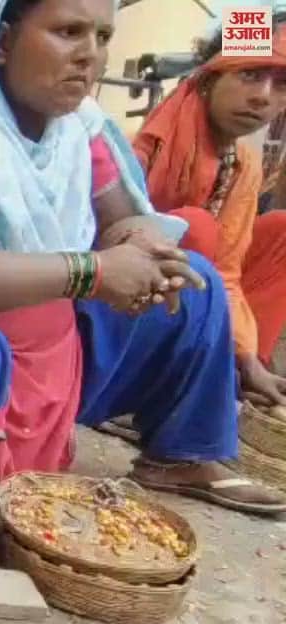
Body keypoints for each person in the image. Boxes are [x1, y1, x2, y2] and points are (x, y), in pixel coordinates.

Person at [0, 0, 286, 563]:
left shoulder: (79, 135)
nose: (89, 54)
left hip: (45, 352)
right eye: (68, 32)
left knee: (194, 279)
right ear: (3, 41)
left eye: (102, 36)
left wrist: (141, 247)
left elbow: (120, 220)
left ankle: (179, 453)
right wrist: (91, 272)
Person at [130, 19, 286, 404]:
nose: (263, 97)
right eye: (249, 75)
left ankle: (242, 377)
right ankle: (169, 389)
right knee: (195, 227)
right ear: (208, 77)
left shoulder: (245, 164)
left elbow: (228, 272)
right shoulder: (146, 147)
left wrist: (247, 355)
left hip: (208, 296)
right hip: (131, 304)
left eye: (281, 85)